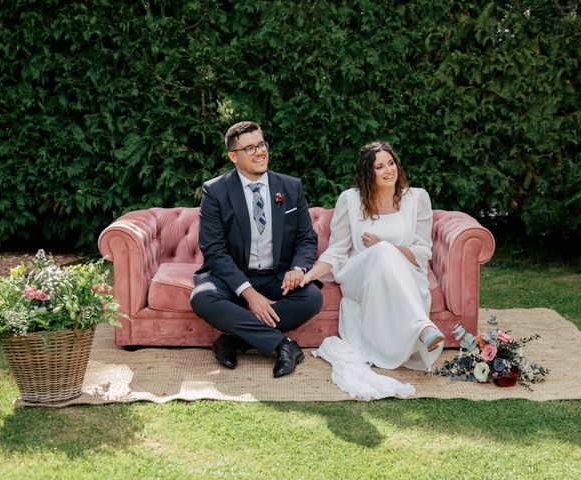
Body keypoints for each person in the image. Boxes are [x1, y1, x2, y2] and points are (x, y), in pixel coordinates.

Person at [296, 141, 444, 399]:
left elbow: (422, 253)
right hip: (359, 274)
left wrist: (386, 246)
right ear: (368, 172)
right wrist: (309, 275)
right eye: (379, 166)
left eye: (391, 163)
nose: (389, 170)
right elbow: (338, 251)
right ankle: (422, 328)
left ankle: (420, 328)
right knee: (381, 251)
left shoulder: (416, 199)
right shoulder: (350, 200)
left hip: (405, 273)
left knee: (385, 251)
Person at [190, 121, 323, 378]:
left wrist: (297, 268)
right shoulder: (215, 191)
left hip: (276, 277)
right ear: (233, 157)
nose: (260, 152)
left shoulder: (291, 187)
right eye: (250, 148)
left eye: (261, 144)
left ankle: (233, 341)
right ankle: (282, 345)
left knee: (312, 298)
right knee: (202, 297)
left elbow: (307, 238)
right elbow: (214, 251)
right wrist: (250, 295)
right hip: (233, 280)